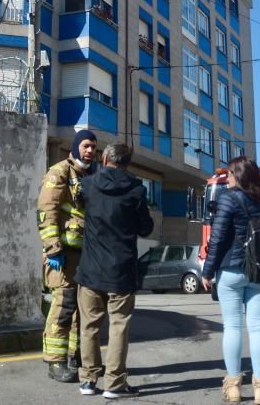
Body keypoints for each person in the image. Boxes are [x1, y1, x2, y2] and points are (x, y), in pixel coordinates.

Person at [74, 143, 153, 399]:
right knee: (119, 326)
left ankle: (88, 380)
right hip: (121, 269)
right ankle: (115, 384)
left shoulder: (88, 185)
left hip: (90, 269)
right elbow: (146, 229)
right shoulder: (137, 190)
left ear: (105, 158)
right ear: (127, 163)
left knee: (89, 326)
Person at [200, 156, 260, 404]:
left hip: (231, 269)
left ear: (238, 175)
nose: (227, 179)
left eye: (230, 175)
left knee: (232, 327)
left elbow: (219, 238)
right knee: (257, 327)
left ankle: (233, 388)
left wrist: (207, 271)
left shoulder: (227, 198)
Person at [37, 130, 97, 382]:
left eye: (93, 147)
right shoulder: (60, 171)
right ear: (75, 147)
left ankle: (75, 357)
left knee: (80, 311)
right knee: (63, 308)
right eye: (86, 146)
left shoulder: (91, 175)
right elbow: (46, 210)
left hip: (85, 256)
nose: (90, 151)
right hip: (62, 256)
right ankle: (55, 362)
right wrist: (52, 248)